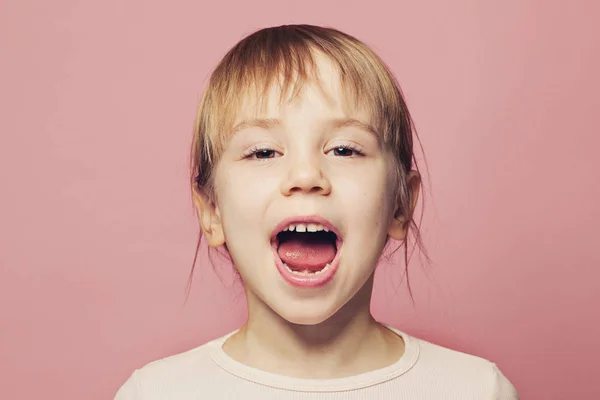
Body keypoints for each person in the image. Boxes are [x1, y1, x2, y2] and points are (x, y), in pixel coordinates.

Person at [114, 24, 519, 399]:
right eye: (263, 151)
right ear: (211, 211)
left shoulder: (476, 390)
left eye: (344, 149)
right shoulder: (156, 393)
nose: (306, 175)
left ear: (400, 204)